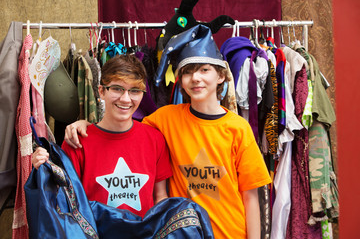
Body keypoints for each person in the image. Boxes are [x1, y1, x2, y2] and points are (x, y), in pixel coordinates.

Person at [64, 25, 271, 238]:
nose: (196, 78)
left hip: (230, 233)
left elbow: (251, 197)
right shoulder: (165, 118)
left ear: (221, 76)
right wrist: (85, 124)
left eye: (204, 70)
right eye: (187, 72)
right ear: (179, 79)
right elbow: (121, 123)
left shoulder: (238, 128)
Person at [32, 54, 172, 218]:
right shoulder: (76, 141)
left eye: (134, 90)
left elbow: (160, 197)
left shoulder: (155, 139)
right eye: (117, 89)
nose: (126, 99)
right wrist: (41, 168)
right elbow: (64, 201)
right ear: (101, 91)